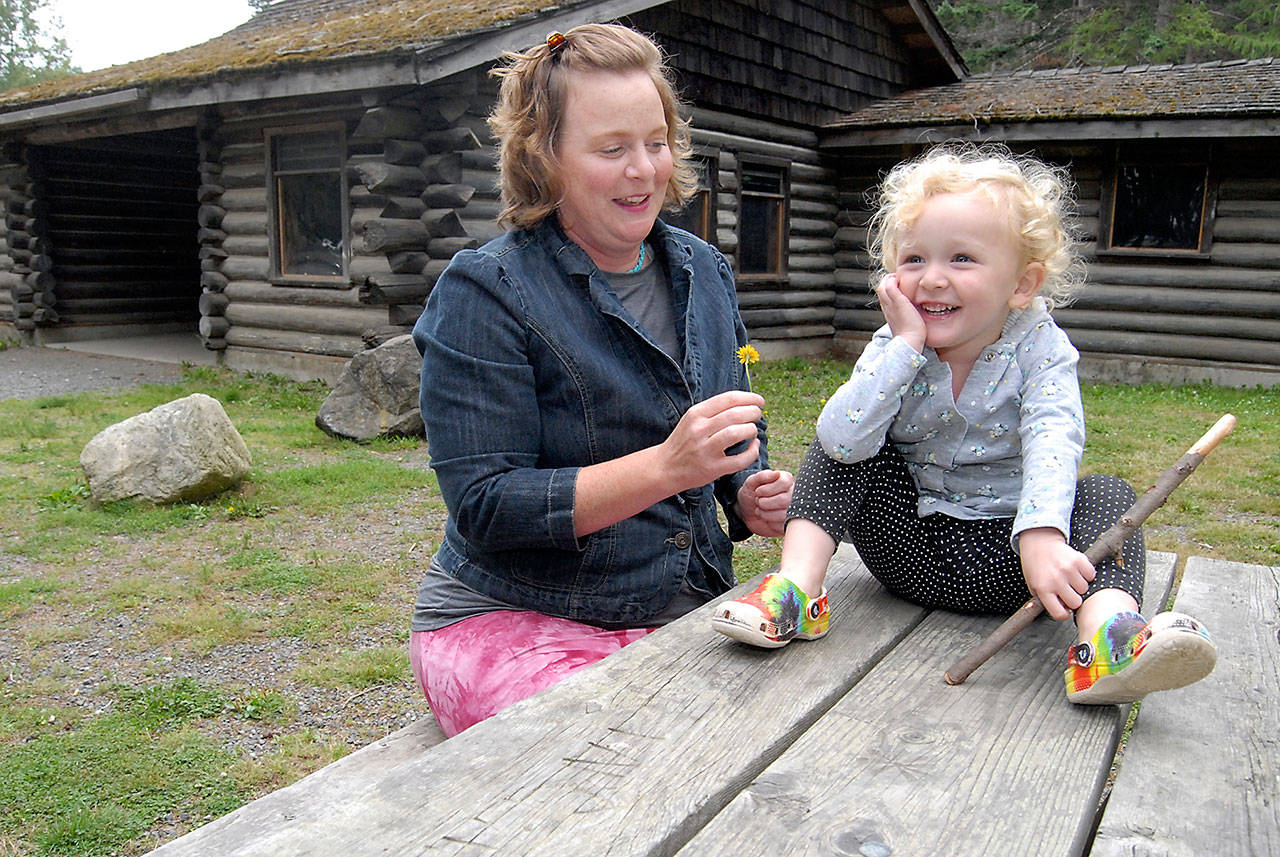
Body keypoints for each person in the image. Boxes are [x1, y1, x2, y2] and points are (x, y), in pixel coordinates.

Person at [711, 144, 1216, 705]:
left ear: (1021, 285)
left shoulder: (1042, 350)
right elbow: (841, 439)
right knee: (846, 442)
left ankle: (1107, 640)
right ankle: (796, 594)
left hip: (1016, 565)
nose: (931, 280)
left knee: (1106, 494)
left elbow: (1055, 435)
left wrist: (1043, 534)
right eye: (913, 260)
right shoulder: (893, 346)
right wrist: (905, 345)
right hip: (906, 550)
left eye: (961, 260)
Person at [410, 23, 793, 737]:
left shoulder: (705, 270)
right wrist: (666, 466)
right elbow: (486, 506)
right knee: (618, 760)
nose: (644, 169)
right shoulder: (486, 290)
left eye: (656, 141)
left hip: (680, 603)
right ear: (544, 156)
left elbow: (735, 418)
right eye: (612, 148)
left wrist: (747, 490)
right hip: (513, 616)